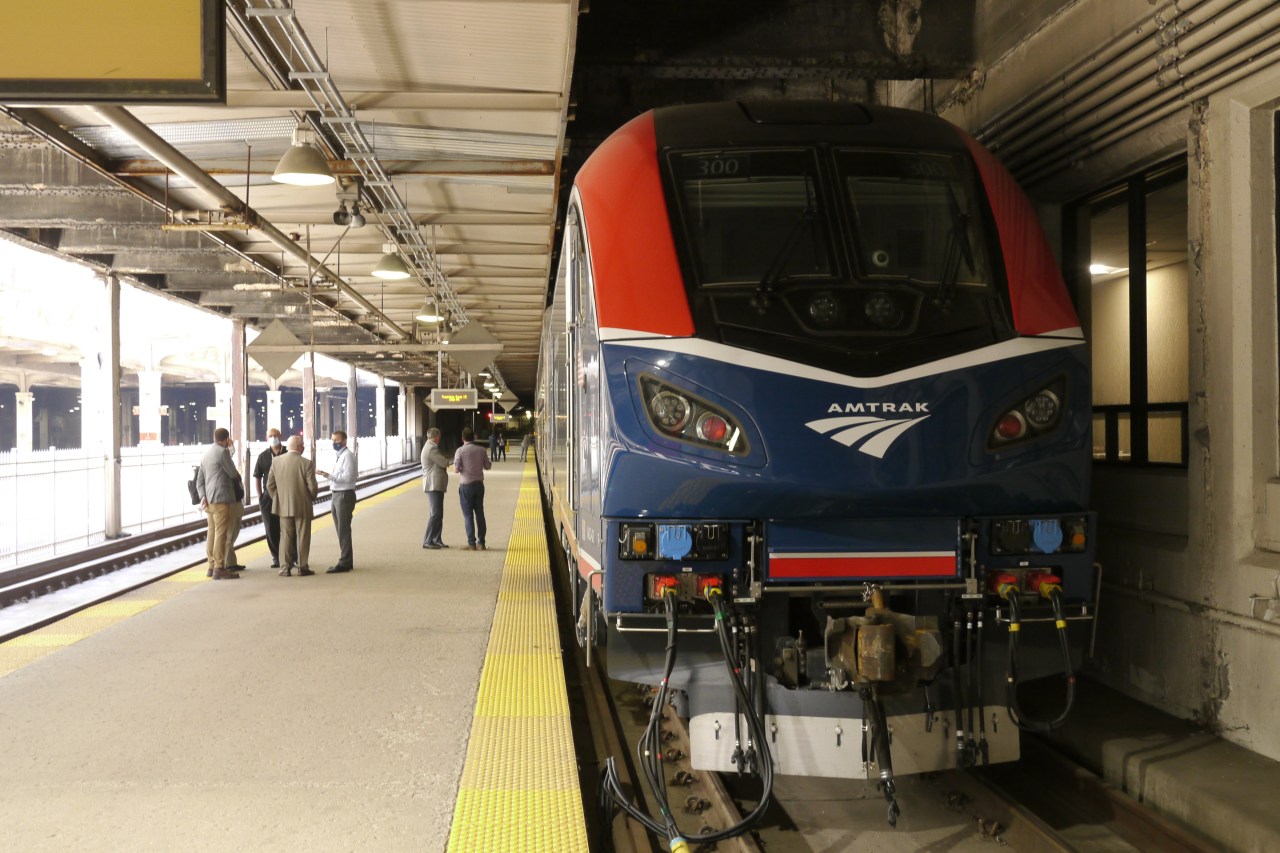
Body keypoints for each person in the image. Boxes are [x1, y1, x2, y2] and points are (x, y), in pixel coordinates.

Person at [268, 435, 318, 577]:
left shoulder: (276, 462)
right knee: (303, 536)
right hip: (302, 505)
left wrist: (278, 499)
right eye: (302, 445)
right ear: (299, 447)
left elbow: (269, 485)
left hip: (283, 506)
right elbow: (313, 487)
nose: (303, 447)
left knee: (285, 536)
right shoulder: (306, 463)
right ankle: (302, 567)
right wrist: (310, 498)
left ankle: (285, 568)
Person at [194, 427, 241, 580]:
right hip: (221, 498)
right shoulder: (223, 452)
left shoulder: (206, 454)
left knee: (212, 532)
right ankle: (219, 567)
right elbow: (233, 473)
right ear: (226, 439)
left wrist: (202, 496)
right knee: (221, 534)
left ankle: (211, 565)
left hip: (208, 500)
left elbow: (199, 480)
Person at [318, 429, 357, 573]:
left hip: (344, 495)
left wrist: (329, 476)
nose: (334, 443)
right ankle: (347, 560)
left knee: (343, 529)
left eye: (337, 440)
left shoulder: (348, 456)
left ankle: (344, 562)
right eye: (332, 440)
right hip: (337, 494)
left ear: (344, 441)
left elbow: (349, 477)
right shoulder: (339, 456)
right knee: (341, 529)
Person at [453, 426, 492, 551]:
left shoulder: (460, 451)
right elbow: (488, 466)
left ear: (463, 438)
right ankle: (482, 543)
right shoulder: (481, 449)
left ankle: (471, 544)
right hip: (479, 485)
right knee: (480, 513)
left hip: (466, 486)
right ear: (474, 437)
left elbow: (455, 470)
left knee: (468, 515)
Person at [253, 428, 286, 568]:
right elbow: (257, 476)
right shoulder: (263, 456)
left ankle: (289, 555)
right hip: (268, 498)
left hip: (285, 496)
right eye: (270, 436)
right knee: (270, 528)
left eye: (275, 435)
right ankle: (276, 557)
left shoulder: (288, 453)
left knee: (286, 527)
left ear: (280, 436)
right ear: (266, 438)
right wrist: (260, 496)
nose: (273, 438)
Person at [420, 427, 450, 549]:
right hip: (433, 484)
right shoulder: (431, 448)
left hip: (435, 484)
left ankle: (437, 538)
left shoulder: (429, 446)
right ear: (437, 437)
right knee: (435, 513)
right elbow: (443, 462)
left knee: (439, 513)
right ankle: (428, 540)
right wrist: (446, 461)